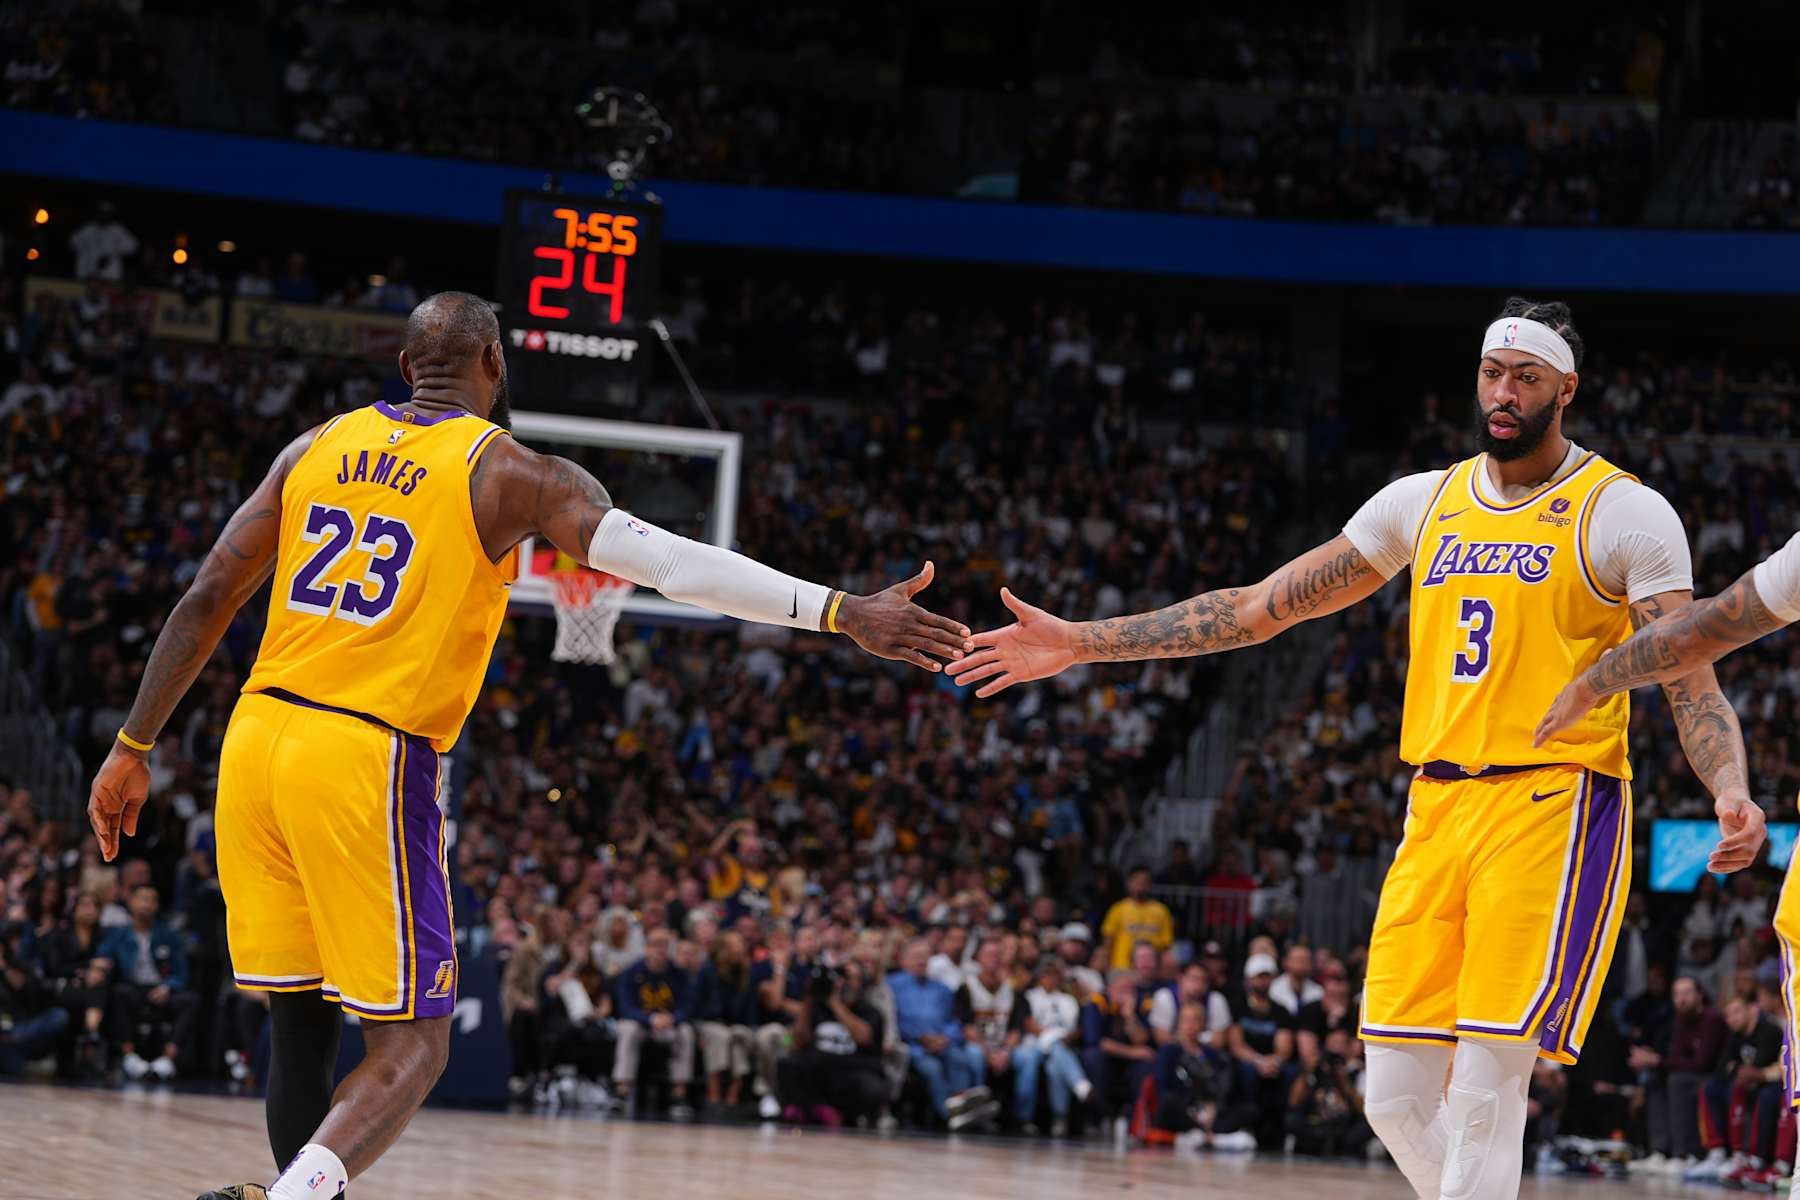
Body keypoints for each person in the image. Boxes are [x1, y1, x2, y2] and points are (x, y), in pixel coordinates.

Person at [84, 292, 975, 1200]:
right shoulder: (509, 470)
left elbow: (207, 595)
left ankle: (297, 1190)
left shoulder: (310, 448)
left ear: (404, 370)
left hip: (255, 738)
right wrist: (837, 608)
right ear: (497, 365)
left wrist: (133, 744)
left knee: (300, 1019)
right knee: (416, 1043)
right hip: (365, 753)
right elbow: (670, 564)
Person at [950, 296, 1764, 1200]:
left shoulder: (1626, 514)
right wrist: (1080, 642)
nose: (1502, 392)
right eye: (1492, 373)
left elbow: (1690, 671)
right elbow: (1259, 609)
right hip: (1434, 805)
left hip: (1555, 804)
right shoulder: (1423, 504)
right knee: (1393, 1098)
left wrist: (1729, 782)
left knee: (1490, 1085)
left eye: (1525, 377)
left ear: (1565, 389)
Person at [888, 937, 993, 1130]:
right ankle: (949, 1115)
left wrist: (945, 1037)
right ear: (903, 960)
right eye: (915, 957)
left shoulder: (941, 988)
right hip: (914, 1044)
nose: (920, 961)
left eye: (924, 957)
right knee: (932, 1068)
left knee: (959, 1059)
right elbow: (895, 1019)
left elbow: (954, 1020)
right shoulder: (893, 985)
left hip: (943, 1042)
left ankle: (964, 1109)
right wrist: (921, 1037)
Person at [774, 957, 890, 1126]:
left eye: (850, 978)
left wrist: (834, 1002)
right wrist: (808, 1000)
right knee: (786, 1063)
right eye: (841, 977)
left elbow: (863, 1036)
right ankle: (810, 1110)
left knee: (871, 1088)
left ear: (862, 983)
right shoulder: (819, 1007)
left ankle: (849, 1116)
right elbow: (796, 1040)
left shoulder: (870, 1011)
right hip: (819, 1069)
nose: (844, 983)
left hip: (854, 1069)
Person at [98, 883, 195, 1081]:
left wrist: (168, 987)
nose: (146, 904)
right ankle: (129, 1056)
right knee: (118, 994)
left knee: (190, 1001)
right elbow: (102, 956)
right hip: (132, 988)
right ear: (131, 902)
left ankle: (168, 1059)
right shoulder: (120, 934)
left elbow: (181, 972)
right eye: (142, 898)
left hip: (161, 989)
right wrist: (100, 965)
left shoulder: (168, 935)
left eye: (151, 900)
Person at [612, 929, 694, 1116]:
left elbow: (687, 1006)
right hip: (641, 1023)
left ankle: (679, 1093)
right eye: (656, 945)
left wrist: (672, 1018)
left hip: (669, 1023)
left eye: (665, 946)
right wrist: (650, 1018)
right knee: (628, 1029)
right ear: (646, 948)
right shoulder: (630, 973)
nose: (660, 950)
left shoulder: (679, 974)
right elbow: (625, 1007)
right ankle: (622, 1090)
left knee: (685, 1031)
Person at [1154, 1004, 1257, 1152]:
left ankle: (1202, 1137)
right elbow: (1163, 1087)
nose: (1190, 1025)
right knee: (1168, 1103)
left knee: (1249, 1109)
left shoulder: (1214, 1055)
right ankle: (1217, 1139)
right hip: (1185, 1109)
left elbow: (1223, 1086)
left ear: (1203, 1024)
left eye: (1195, 1020)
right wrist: (1192, 1110)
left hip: (1211, 1111)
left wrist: (1213, 1108)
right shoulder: (1169, 1051)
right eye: (1185, 1020)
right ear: (1179, 1023)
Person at [1013, 957, 1094, 1137]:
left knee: (1055, 1067)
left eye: (1054, 976)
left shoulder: (1068, 1000)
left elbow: (1077, 1029)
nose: (1050, 980)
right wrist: (1052, 1035)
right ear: (1039, 977)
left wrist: (1064, 1037)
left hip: (1060, 1045)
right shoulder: (1029, 996)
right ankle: (1079, 1084)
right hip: (1033, 1043)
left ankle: (1059, 1117)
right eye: (1046, 975)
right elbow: (1028, 1023)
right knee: (1033, 1057)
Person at [1099, 868, 1175, 971]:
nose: (1140, 885)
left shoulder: (1161, 911)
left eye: (1144, 882)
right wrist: (1106, 964)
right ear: (1128, 883)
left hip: (1151, 971)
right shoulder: (1118, 909)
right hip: (1122, 967)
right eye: (1136, 881)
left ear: (1150, 885)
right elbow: (1108, 941)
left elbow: (1166, 945)